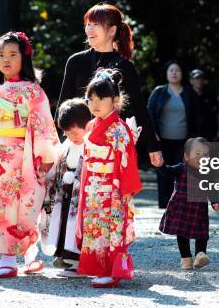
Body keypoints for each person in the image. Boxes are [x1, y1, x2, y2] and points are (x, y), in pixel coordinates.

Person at [0, 31, 59, 278]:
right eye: (1, 54)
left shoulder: (33, 91)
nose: (6, 59)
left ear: (24, 58)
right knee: (2, 205)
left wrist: (45, 157)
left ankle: (25, 255)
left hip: (25, 156)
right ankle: (9, 257)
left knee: (27, 205)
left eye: (12, 54)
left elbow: (42, 124)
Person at [57, 2, 163, 168]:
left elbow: (140, 109)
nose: (89, 30)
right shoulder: (75, 61)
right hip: (76, 142)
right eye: (87, 25)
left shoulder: (125, 67)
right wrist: (56, 144)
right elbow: (63, 106)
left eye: (96, 25)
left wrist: (153, 148)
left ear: (112, 30)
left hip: (110, 145)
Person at [76, 69, 142, 288]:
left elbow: (127, 160)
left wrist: (125, 189)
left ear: (115, 100)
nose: (95, 104)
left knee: (110, 227)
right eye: (91, 98)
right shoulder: (93, 125)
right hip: (93, 185)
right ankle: (98, 267)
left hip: (112, 186)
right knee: (94, 227)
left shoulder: (118, 128)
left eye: (101, 98)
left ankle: (111, 269)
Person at [44, 98, 92, 278]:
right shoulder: (67, 146)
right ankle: (66, 256)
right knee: (64, 223)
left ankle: (78, 261)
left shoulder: (91, 145)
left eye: (74, 132)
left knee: (77, 225)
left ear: (86, 125)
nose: (71, 137)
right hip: (65, 191)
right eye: (68, 133)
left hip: (82, 194)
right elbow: (57, 165)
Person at [159, 137, 219, 270]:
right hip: (181, 207)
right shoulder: (181, 169)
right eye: (197, 154)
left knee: (202, 233)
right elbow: (167, 171)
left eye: (205, 155)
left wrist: (215, 201)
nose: (201, 157)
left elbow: (211, 188)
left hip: (199, 208)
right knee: (182, 234)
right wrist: (161, 165)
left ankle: (200, 255)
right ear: (186, 156)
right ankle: (186, 258)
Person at [147, 60, 196, 208]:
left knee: (182, 171)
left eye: (177, 70)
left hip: (184, 141)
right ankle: (164, 204)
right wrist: (152, 134)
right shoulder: (159, 92)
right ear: (166, 73)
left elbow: (197, 116)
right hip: (162, 140)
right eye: (171, 70)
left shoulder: (189, 93)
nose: (174, 73)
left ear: (182, 74)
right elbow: (149, 113)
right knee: (163, 171)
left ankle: (179, 203)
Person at [189, 69, 219, 142]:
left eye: (201, 78)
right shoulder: (187, 96)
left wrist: (215, 134)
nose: (199, 80)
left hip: (208, 136)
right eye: (196, 78)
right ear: (191, 81)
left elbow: (214, 116)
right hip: (192, 136)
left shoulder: (210, 96)